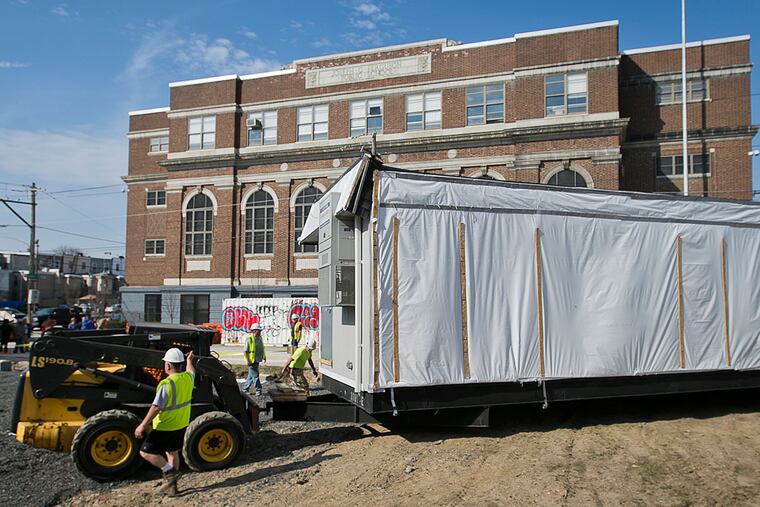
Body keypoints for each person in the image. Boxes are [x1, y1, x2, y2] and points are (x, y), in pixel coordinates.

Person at [135, 348, 195, 497]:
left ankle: (170, 472)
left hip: (165, 426)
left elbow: (156, 407)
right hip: (181, 424)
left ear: (167, 366)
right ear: (180, 365)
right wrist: (190, 361)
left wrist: (142, 425)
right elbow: (191, 371)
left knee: (146, 451)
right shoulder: (188, 378)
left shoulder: (166, 384)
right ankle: (172, 488)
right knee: (172, 453)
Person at [242, 323, 266, 395]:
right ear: (254, 331)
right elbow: (245, 351)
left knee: (251, 375)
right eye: (259, 331)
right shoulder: (249, 339)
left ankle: (245, 389)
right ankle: (258, 390)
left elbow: (262, 348)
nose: (260, 332)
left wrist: (264, 356)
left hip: (257, 359)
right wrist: (248, 361)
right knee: (255, 375)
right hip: (251, 361)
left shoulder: (259, 338)